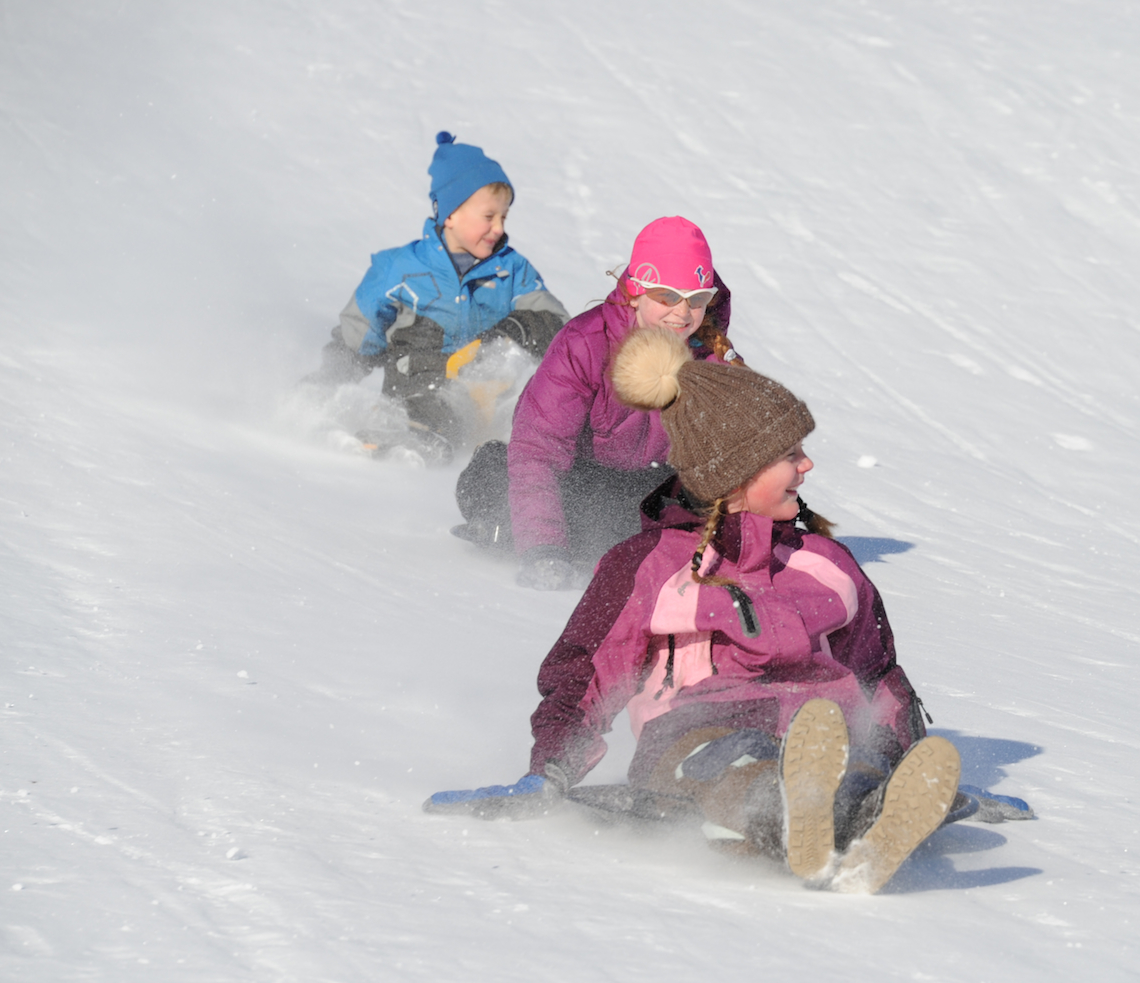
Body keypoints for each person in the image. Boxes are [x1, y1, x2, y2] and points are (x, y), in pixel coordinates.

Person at [427, 326, 1033, 894]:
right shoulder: (654, 566)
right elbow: (589, 671)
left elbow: (876, 674)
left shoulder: (824, 561)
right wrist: (550, 771)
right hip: (695, 733)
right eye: (790, 453)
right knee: (737, 764)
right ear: (735, 472)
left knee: (856, 760)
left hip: (824, 726)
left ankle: (873, 817)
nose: (807, 465)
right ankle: (794, 816)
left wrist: (902, 756)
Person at [451, 216, 739, 588]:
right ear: (635, 292)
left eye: (697, 299)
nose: (683, 313)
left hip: (647, 494)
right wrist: (543, 549)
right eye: (667, 296)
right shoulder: (584, 344)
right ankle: (520, 531)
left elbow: (739, 457)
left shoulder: (713, 359)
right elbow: (538, 448)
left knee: (681, 512)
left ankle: (646, 551)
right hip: (575, 479)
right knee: (490, 478)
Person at [306, 132, 568, 463]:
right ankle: (389, 431)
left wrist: (519, 328)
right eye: (489, 217)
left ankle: (466, 445)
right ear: (450, 215)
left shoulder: (512, 271)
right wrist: (327, 383)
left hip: (482, 403)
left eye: (503, 217)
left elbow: (563, 333)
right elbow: (358, 336)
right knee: (418, 346)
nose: (499, 228)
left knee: (508, 389)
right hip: (412, 391)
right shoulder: (401, 269)